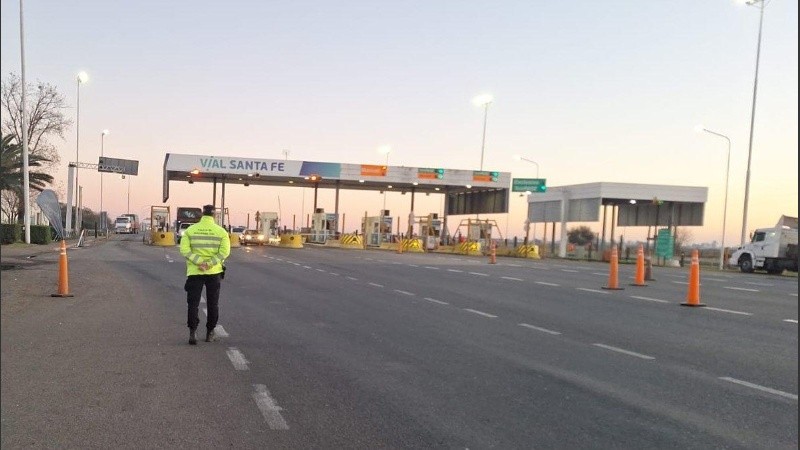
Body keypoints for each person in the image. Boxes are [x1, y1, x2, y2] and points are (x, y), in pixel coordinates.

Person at [180, 204, 231, 345]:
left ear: (202, 214)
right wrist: (208, 264)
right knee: (212, 303)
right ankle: (210, 333)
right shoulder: (221, 232)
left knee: (193, 303)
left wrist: (199, 262)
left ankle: (192, 332)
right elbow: (224, 253)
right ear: (214, 216)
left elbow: (184, 250)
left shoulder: (190, 230)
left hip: (195, 272)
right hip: (214, 272)